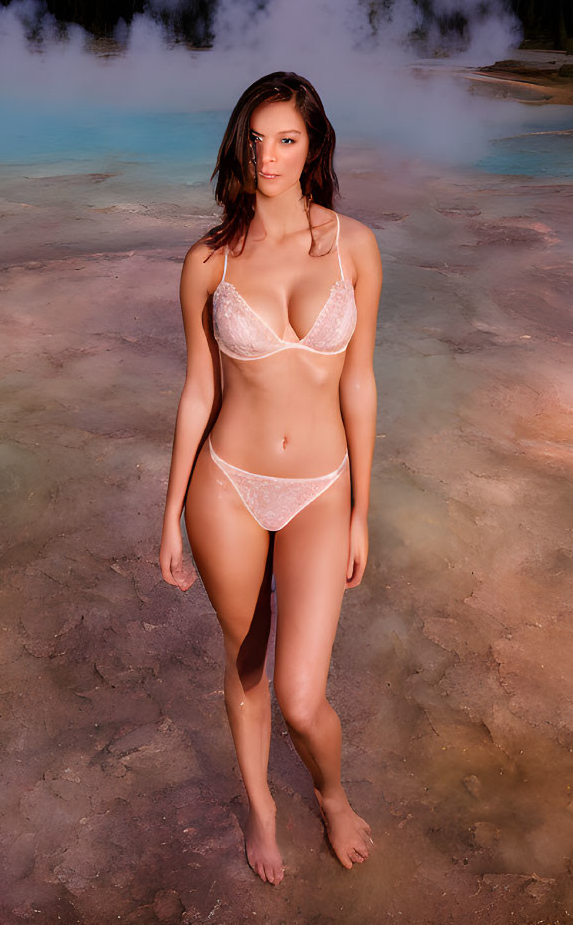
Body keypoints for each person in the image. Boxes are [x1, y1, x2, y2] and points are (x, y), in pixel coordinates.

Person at [158, 70, 381, 884]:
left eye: (286, 139)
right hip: (227, 485)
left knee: (298, 696)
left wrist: (360, 509)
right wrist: (169, 512)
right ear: (237, 146)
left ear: (313, 146)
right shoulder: (208, 261)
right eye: (255, 139)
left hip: (321, 486)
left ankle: (329, 793)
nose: (268, 156)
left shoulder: (353, 246)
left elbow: (358, 381)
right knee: (244, 663)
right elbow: (196, 391)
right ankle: (259, 802)